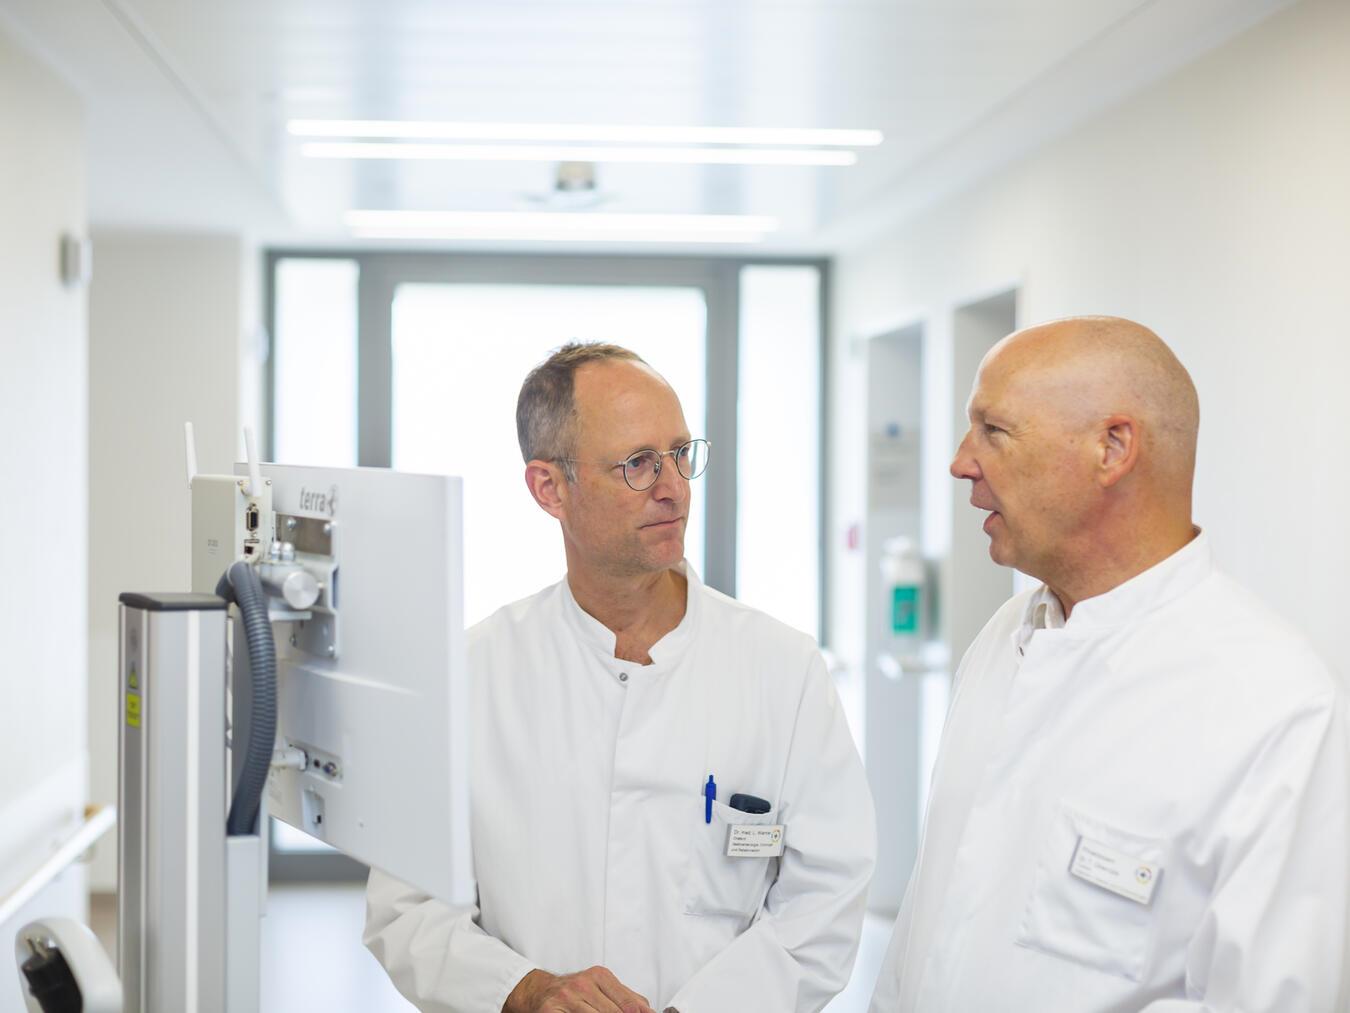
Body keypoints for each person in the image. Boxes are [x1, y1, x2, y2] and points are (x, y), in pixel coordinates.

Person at [366, 342, 876, 1013]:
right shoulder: (471, 675)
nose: (674, 487)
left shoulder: (783, 669)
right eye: (638, 463)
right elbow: (406, 908)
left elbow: (826, 897)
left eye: (680, 453)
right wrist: (525, 990)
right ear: (549, 488)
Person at [869, 316, 1350, 1012]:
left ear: (1113, 448)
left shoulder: (1275, 704)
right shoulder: (1004, 638)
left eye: (993, 430)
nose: (960, 461)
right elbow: (928, 929)